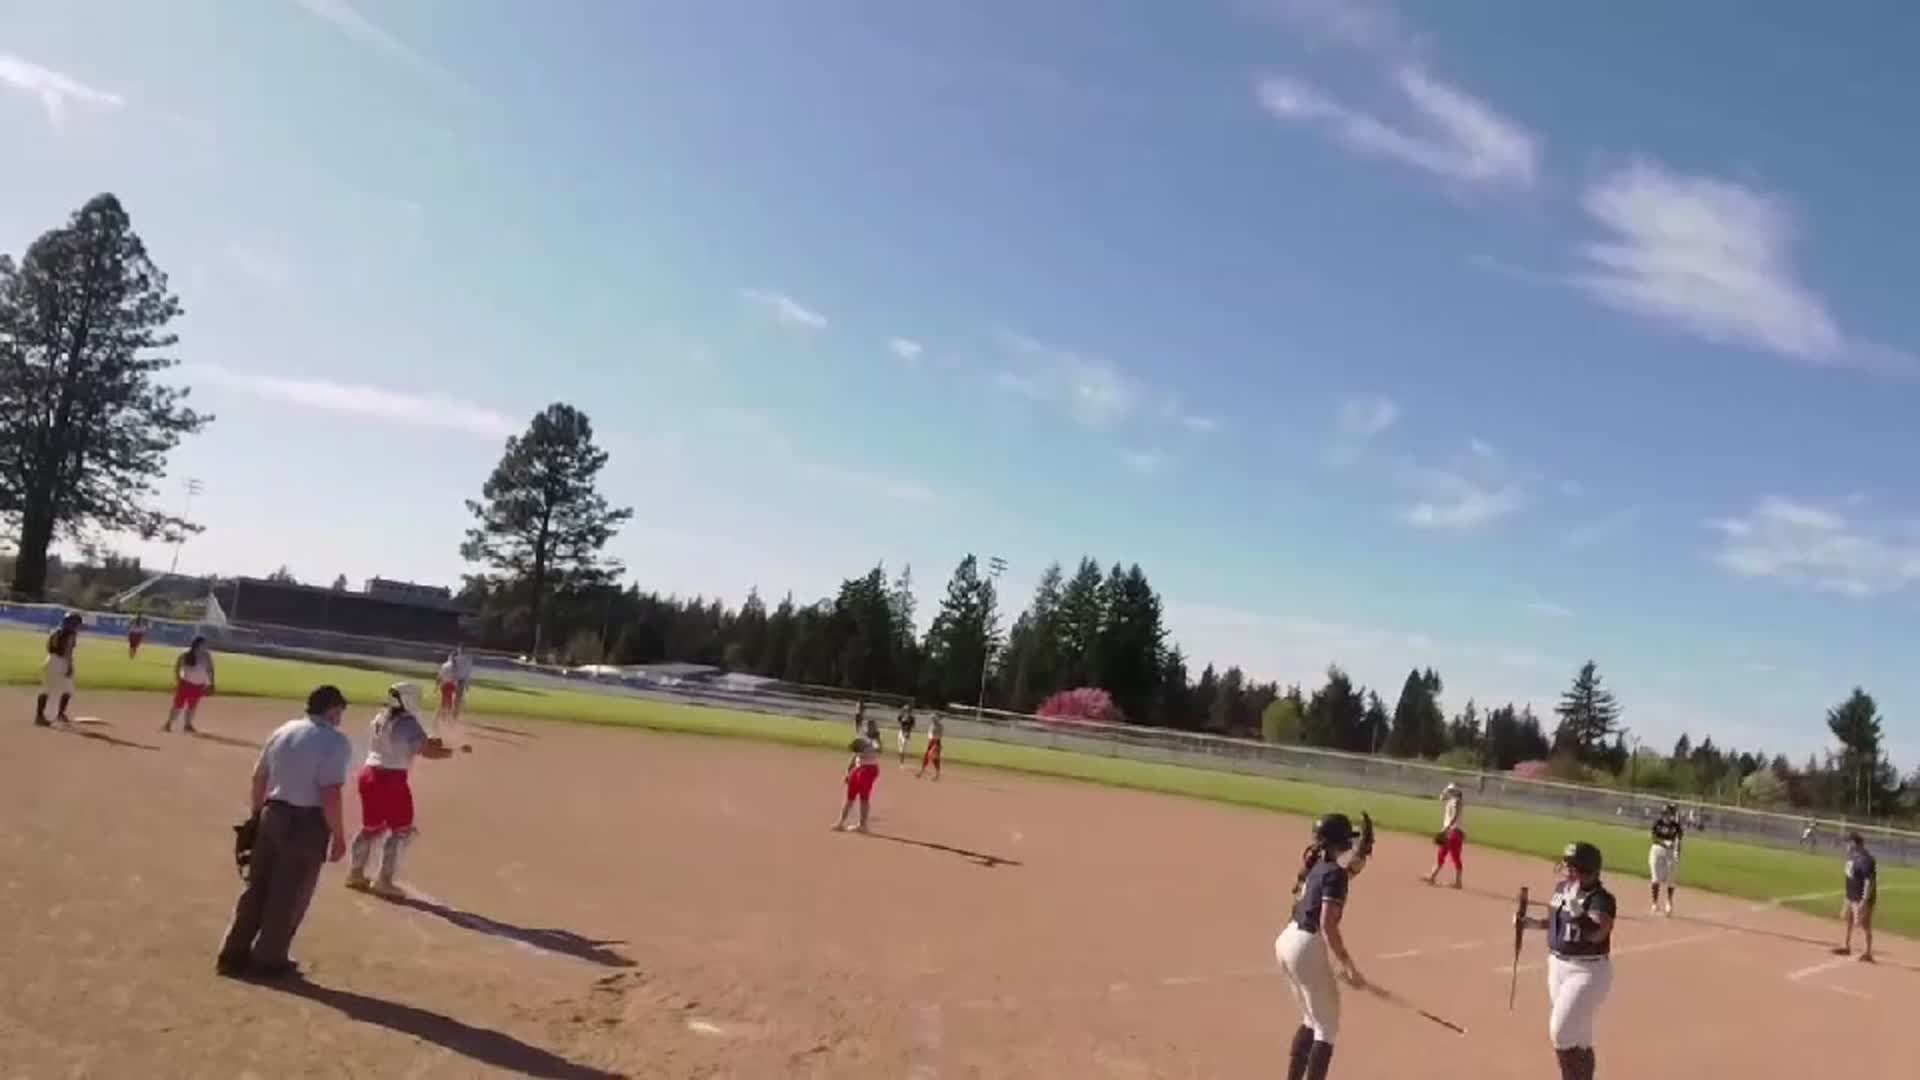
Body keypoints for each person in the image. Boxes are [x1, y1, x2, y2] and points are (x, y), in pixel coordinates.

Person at [216, 685, 353, 978]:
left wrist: (257, 815)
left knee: (258, 886)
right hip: (307, 821)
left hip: (272, 812)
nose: (341, 717)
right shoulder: (334, 741)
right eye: (340, 711)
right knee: (290, 892)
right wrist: (339, 836)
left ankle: (233, 953)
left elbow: (259, 776)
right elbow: (330, 793)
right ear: (331, 709)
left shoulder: (284, 730)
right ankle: (268, 958)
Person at [1275, 813, 1373, 1080]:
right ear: (1341, 842)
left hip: (1286, 941)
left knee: (1312, 1019)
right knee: (1327, 1029)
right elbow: (1328, 924)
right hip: (1305, 945)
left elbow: (1342, 875)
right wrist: (1348, 966)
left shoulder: (1316, 867)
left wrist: (1361, 859)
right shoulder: (1334, 874)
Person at [1517, 841, 1615, 1080]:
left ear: (1587, 870)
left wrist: (1579, 913)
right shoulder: (1562, 888)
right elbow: (1555, 923)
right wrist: (1531, 923)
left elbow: (1597, 934)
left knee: (1561, 1033)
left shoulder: (1601, 899)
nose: (1567, 872)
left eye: (1573, 867)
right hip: (1557, 966)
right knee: (1579, 1039)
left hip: (1587, 971)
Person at [347, 683, 452, 898]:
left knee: (371, 827)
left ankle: (355, 873)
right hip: (391, 779)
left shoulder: (381, 717)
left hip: (369, 775)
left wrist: (429, 742)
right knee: (402, 830)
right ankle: (384, 881)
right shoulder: (408, 722)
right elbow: (426, 751)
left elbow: (403, 741)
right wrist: (450, 752)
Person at [1833, 832, 1877, 963]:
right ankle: (1846, 946)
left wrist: (1864, 900)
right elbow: (1850, 877)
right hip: (1851, 895)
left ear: (1854, 843)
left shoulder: (1866, 859)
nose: (1846, 845)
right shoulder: (1852, 857)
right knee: (1848, 920)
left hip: (1861, 897)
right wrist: (1847, 898)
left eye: (1848, 842)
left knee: (1864, 925)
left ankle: (1867, 953)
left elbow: (1870, 881)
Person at [35, 612, 83, 727]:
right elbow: (68, 652)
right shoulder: (70, 634)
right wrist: (69, 666)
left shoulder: (56, 631)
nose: (78, 626)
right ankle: (56, 715)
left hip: (50, 660)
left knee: (48, 689)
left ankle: (41, 716)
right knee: (67, 689)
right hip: (61, 662)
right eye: (77, 624)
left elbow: (48, 647)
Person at [163, 635, 218, 733]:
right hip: (186, 684)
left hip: (198, 685)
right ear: (199, 644)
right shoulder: (186, 654)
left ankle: (187, 725)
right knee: (178, 705)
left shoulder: (206, 655)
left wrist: (211, 683)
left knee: (192, 706)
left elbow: (210, 670)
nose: (206, 646)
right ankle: (168, 724)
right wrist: (178, 678)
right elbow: (177, 666)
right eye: (204, 644)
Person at [833, 727, 883, 833]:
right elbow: (854, 755)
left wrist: (877, 739)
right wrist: (848, 772)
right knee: (850, 797)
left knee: (864, 798)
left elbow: (879, 749)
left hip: (868, 770)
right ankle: (840, 822)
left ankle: (862, 825)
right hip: (858, 769)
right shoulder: (861, 740)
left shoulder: (874, 742)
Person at [1425, 782, 1466, 888]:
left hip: (1452, 832)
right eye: (1450, 790)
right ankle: (1457, 882)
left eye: (1452, 790)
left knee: (1444, 854)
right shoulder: (1452, 800)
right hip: (1456, 832)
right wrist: (1446, 790)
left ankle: (1432, 877)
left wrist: (1447, 828)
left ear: (1456, 792)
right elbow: (1441, 798)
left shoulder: (1456, 801)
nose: (1450, 792)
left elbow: (1455, 815)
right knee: (1453, 856)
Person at [1648, 803, 1684, 916]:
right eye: (1664, 813)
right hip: (1657, 849)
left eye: (1668, 813)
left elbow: (1679, 840)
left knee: (1671, 877)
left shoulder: (1676, 826)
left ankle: (1669, 902)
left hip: (1670, 852)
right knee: (1655, 877)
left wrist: (1677, 852)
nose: (1666, 815)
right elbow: (1654, 838)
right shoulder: (1657, 823)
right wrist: (1664, 842)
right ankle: (1654, 902)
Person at [434, 646, 473, 732]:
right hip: (450, 686)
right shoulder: (453, 666)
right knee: (448, 704)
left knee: (445, 703)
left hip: (445, 685)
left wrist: (436, 687)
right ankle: (445, 721)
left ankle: (441, 720)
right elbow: (455, 677)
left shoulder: (445, 665)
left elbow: (439, 676)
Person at [917, 711, 944, 780]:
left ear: (938, 718)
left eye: (934, 718)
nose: (932, 719)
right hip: (931, 742)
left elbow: (940, 735)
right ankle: (921, 772)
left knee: (934, 759)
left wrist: (935, 744)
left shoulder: (940, 725)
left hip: (936, 742)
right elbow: (929, 733)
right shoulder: (932, 724)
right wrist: (930, 740)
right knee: (926, 757)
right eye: (933, 718)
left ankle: (937, 775)